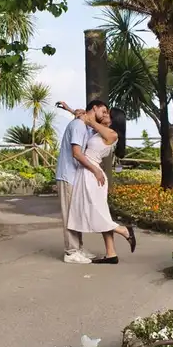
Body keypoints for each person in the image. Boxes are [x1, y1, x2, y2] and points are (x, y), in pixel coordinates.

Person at [65, 107, 136, 265]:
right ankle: (111, 254)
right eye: (103, 112)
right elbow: (85, 119)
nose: (103, 115)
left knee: (96, 212)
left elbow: (88, 119)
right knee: (101, 213)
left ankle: (123, 230)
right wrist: (70, 110)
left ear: (113, 119)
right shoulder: (103, 130)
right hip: (89, 172)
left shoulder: (112, 134)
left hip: (93, 173)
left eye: (106, 114)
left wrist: (81, 113)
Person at [55, 99, 110, 264]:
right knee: (69, 214)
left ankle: (78, 248)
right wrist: (96, 170)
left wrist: (69, 109)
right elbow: (77, 153)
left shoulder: (83, 125)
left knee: (75, 213)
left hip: (74, 176)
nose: (105, 115)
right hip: (67, 175)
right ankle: (71, 252)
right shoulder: (79, 126)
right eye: (104, 111)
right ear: (95, 108)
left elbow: (83, 116)